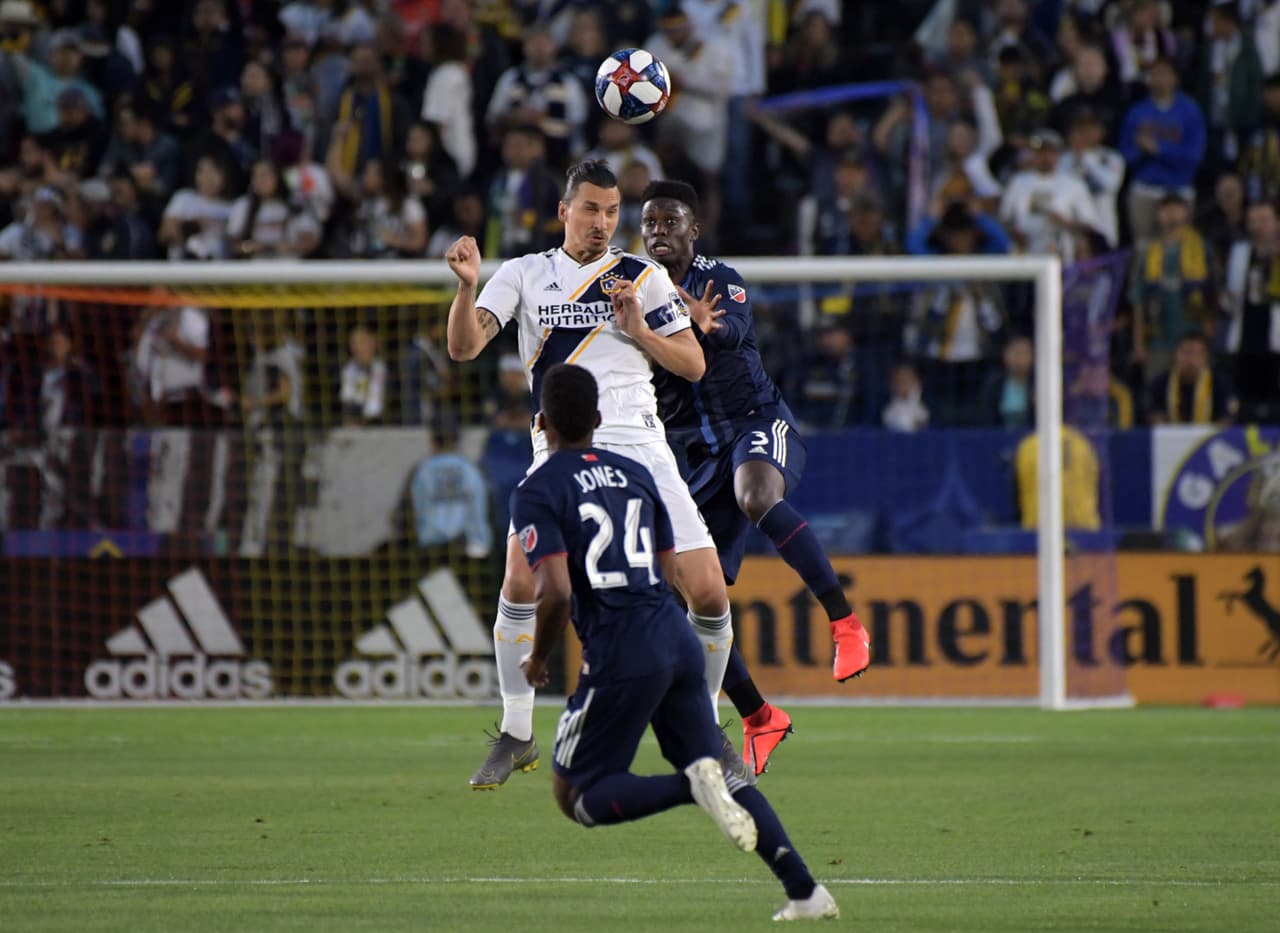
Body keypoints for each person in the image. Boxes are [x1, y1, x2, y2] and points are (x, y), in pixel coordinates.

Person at [445, 160, 737, 790]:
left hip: (639, 442)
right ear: (564, 211)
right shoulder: (523, 274)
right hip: (561, 446)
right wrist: (467, 287)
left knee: (709, 592)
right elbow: (465, 348)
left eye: (612, 212)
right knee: (520, 582)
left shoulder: (643, 276)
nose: (603, 223)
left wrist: (637, 329)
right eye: (591, 210)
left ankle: (707, 733)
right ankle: (518, 731)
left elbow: (691, 364)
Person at [511, 362, 839, 923]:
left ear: (541, 424)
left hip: (620, 651)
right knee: (720, 767)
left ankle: (689, 788)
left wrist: (539, 657)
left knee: (577, 796)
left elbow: (556, 592)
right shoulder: (637, 474)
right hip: (674, 636)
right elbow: (670, 570)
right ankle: (806, 890)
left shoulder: (537, 488)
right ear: (596, 419)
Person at [641, 179, 871, 775]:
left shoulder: (720, 278)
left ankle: (846, 624)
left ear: (693, 230)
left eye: (670, 222)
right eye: (649, 224)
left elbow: (734, 331)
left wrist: (700, 320)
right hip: (702, 456)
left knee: (756, 494)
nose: (658, 232)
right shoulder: (634, 291)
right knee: (687, 591)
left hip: (758, 424)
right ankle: (758, 715)